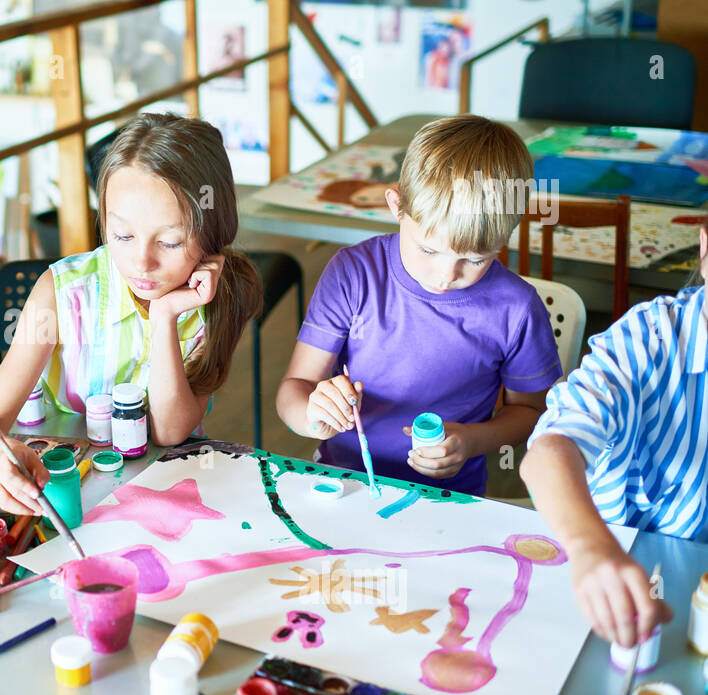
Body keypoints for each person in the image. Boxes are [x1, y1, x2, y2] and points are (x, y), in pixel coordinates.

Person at [0, 114, 262, 515]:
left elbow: (170, 432)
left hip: (164, 490)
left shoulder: (213, 295)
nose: (142, 262)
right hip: (64, 483)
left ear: (213, 232)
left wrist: (164, 317)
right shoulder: (60, 294)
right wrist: (0, 459)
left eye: (170, 242)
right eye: (122, 236)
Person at [276, 115, 562, 496]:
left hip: (449, 498)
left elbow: (531, 412)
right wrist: (313, 416)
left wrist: (472, 440)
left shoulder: (517, 309)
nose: (446, 275)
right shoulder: (354, 273)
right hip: (344, 484)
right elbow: (293, 390)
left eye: (476, 259)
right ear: (396, 205)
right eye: (429, 249)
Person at [518, 217, 707, 650]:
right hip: (604, 571)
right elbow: (548, 453)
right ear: (704, 247)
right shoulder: (648, 339)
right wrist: (591, 549)